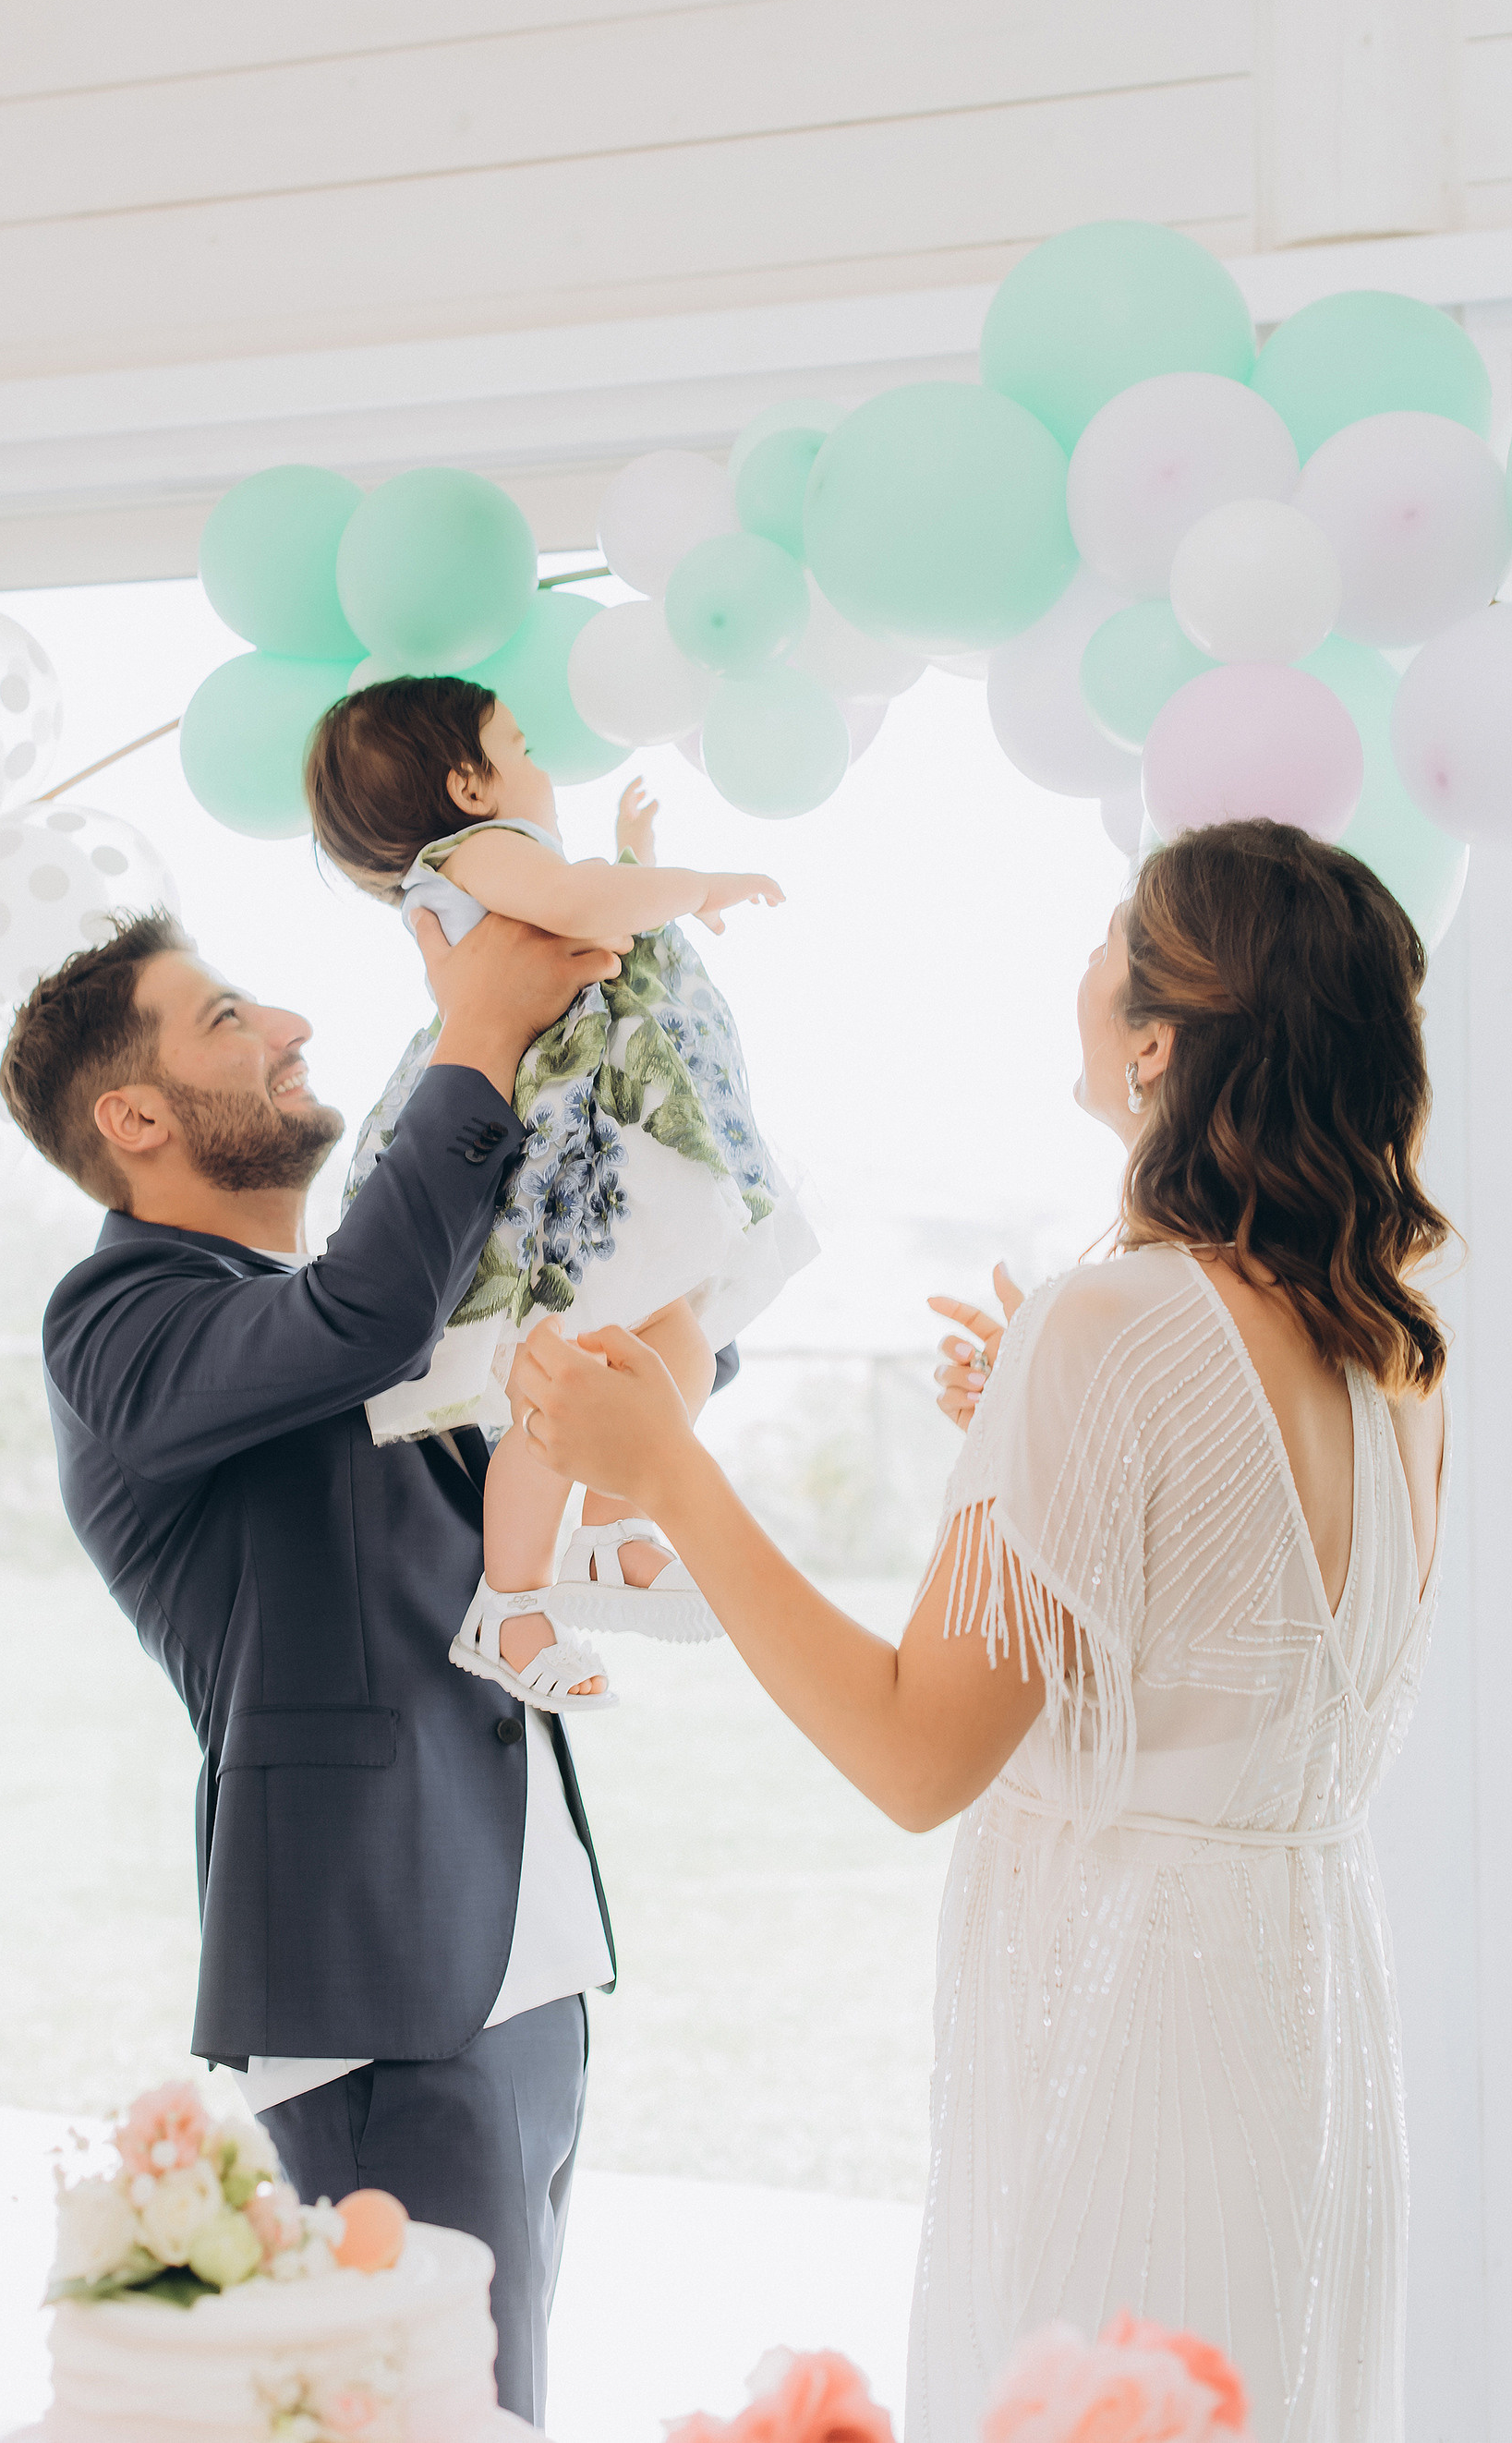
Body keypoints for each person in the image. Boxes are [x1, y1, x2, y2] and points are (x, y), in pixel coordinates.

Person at [508, 819, 1449, 2443]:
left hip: (1133, 2043)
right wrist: (1039, 1432)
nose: (1083, 968)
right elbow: (1243, 1646)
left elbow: (914, 1753)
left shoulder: (1116, 1325)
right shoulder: (1392, 1348)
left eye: (1110, 940)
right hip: (1307, 2043)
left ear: (1159, 1040)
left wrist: (670, 1471)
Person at [0, 897, 730, 2423]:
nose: (290, 1028)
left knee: (504, 2407)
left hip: (520, 1953)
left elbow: (506, 1411)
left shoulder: (346, 1321)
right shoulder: (119, 1321)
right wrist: (478, 1025)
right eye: (227, 1020)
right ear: (131, 1116)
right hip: (380, 1987)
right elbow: (370, 1311)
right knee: (420, 2412)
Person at [304, 675, 812, 1710]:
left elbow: (590, 913)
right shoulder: (472, 854)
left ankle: (613, 1525)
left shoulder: (513, 867)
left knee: (671, 1341)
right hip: (558, 1156)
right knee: (566, 1373)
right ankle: (512, 1600)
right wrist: (687, 880)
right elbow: (586, 911)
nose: (540, 767)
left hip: (604, 1138)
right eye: (519, 744)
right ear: (467, 782)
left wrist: (630, 866)